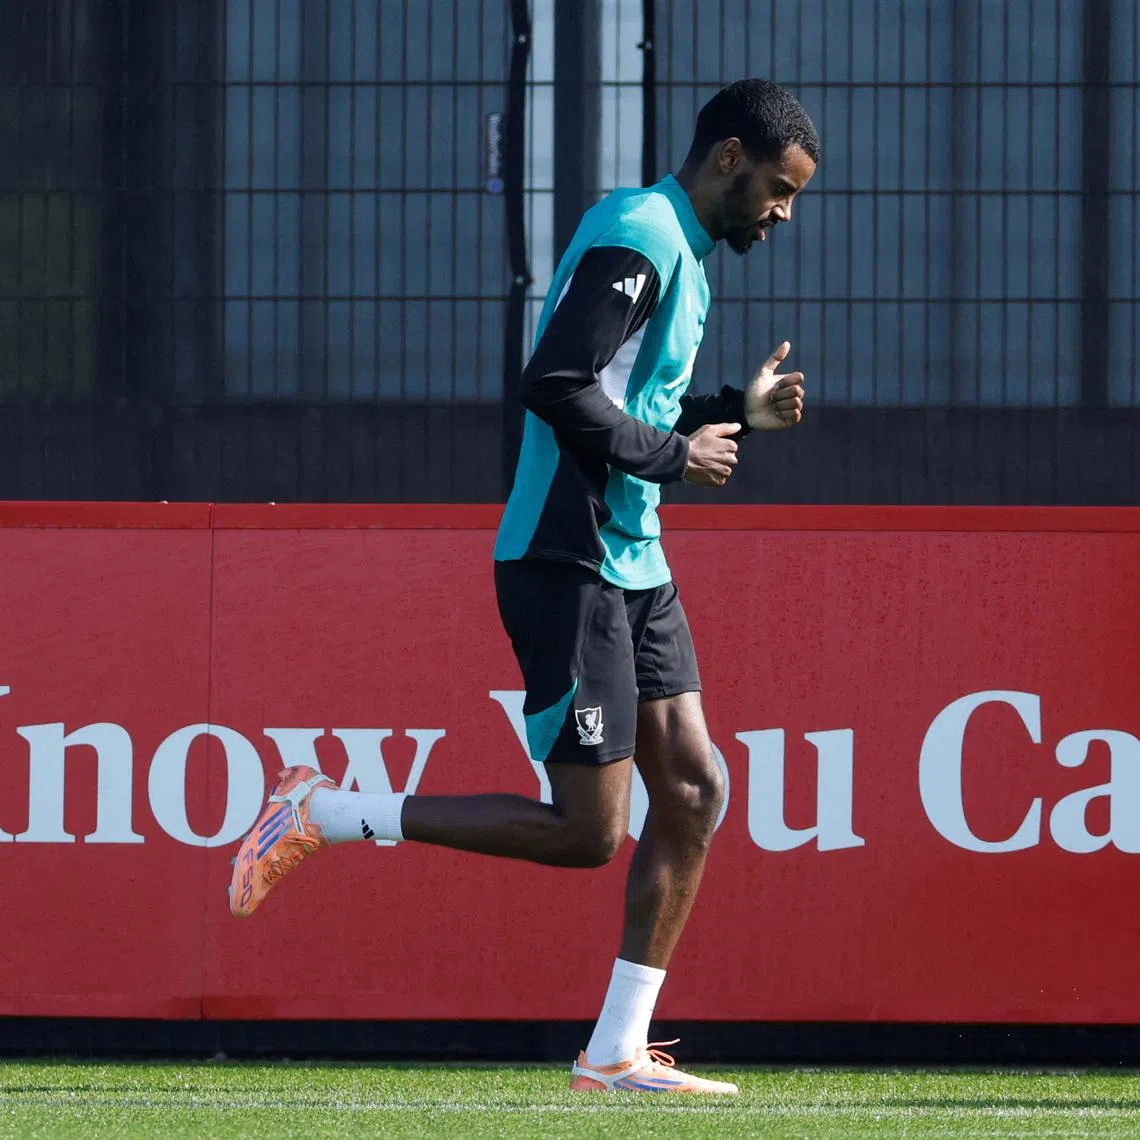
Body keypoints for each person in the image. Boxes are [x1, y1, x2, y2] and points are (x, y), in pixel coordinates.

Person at [229, 77, 819, 1095]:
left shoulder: (677, 248)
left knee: (694, 790)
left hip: (634, 561)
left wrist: (736, 413)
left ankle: (615, 1051)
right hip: (568, 557)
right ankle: (323, 811)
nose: (783, 213)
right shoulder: (640, 231)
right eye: (777, 187)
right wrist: (678, 459)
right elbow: (554, 380)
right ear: (730, 157)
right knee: (589, 834)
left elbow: (637, 400)